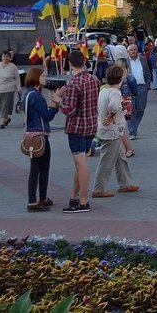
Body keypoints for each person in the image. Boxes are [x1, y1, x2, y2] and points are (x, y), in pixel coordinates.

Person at [59, 50, 100, 213]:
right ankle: (74, 196)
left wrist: (58, 100)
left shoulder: (73, 83)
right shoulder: (94, 79)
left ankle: (83, 201)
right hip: (91, 126)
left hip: (77, 128)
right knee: (80, 164)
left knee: (81, 165)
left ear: (70, 64)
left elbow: (69, 110)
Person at [92, 65, 140, 198]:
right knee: (107, 161)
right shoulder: (115, 92)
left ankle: (125, 183)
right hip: (112, 130)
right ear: (121, 79)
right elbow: (113, 106)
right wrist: (112, 114)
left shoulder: (103, 90)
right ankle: (99, 188)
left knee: (120, 157)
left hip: (109, 130)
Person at [23, 67, 61, 212]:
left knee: (37, 168)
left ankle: (40, 198)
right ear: (36, 78)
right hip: (40, 136)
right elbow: (47, 115)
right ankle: (34, 201)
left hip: (31, 134)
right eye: (43, 76)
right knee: (41, 169)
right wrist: (55, 105)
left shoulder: (28, 93)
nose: (45, 78)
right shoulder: (36, 95)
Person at [0, 50, 20, 129]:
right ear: (1, 57)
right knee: (0, 106)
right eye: (4, 56)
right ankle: (7, 118)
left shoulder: (13, 67)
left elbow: (17, 78)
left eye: (7, 56)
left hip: (9, 89)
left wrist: (18, 88)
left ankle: (2, 122)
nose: (5, 58)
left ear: (10, 58)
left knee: (5, 105)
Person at [125, 44, 152, 140]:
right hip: (129, 89)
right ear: (128, 52)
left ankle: (134, 127)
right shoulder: (125, 62)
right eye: (131, 50)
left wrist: (147, 85)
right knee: (130, 111)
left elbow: (148, 73)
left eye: (135, 49)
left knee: (141, 109)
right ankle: (132, 131)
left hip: (142, 87)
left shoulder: (143, 60)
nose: (133, 51)